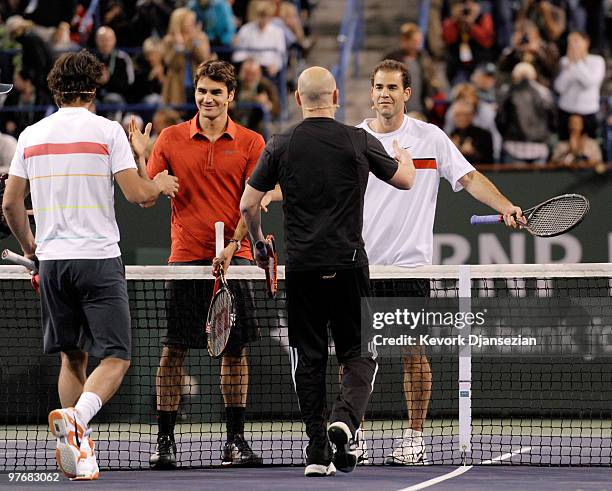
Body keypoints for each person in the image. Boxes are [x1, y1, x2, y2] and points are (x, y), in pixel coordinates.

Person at [1, 50, 178, 480]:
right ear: (94, 89)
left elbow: (10, 204)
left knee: (72, 358)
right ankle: (77, 421)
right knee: (116, 357)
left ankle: (76, 452)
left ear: (54, 88)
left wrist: (33, 247)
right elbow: (140, 196)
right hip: (98, 260)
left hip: (54, 263)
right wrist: (154, 172)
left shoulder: (30, 135)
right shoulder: (108, 131)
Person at [239, 66, 416, 477]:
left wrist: (260, 243)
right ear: (336, 96)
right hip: (350, 267)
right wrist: (403, 158)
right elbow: (405, 180)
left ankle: (317, 452)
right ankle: (346, 419)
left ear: (299, 99)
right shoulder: (357, 139)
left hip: (302, 269)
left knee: (310, 359)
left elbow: (249, 204)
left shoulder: (280, 144)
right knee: (361, 354)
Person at [358, 59, 523, 465]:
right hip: (361, 267)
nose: (384, 94)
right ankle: (354, 433)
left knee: (413, 353)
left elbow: (469, 178)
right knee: (357, 355)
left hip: (411, 267)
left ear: (407, 93)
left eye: (392, 87)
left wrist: (505, 205)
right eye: (378, 86)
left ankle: (415, 438)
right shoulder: (354, 139)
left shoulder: (429, 138)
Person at [133, 60, 266, 469]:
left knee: (235, 353)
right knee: (173, 352)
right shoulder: (171, 139)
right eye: (202, 92)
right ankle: (165, 442)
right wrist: (145, 164)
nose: (207, 99)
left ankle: (235, 441)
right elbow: (145, 197)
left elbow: (254, 203)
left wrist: (234, 246)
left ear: (230, 97)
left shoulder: (251, 142)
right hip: (186, 262)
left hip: (234, 260)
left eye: (216, 93)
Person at [496, 62, 557, 164]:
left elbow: (500, 120)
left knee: (512, 180)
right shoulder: (544, 92)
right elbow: (553, 122)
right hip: (539, 148)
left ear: (514, 76)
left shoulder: (507, 91)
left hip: (513, 148)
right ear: (534, 76)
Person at [553, 31, 605, 140]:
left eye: (575, 41)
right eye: (569, 42)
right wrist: (569, 66)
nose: (572, 45)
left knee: (589, 149)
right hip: (566, 110)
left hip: (588, 112)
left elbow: (590, 82)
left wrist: (577, 62)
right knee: (563, 147)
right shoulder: (564, 61)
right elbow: (559, 88)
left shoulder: (597, 61)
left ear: (586, 42)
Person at [449, 100, 494, 164]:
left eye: (465, 114)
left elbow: (489, 162)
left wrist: (473, 153)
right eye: (458, 115)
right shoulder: (451, 135)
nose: (461, 118)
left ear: (472, 115)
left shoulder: (484, 135)